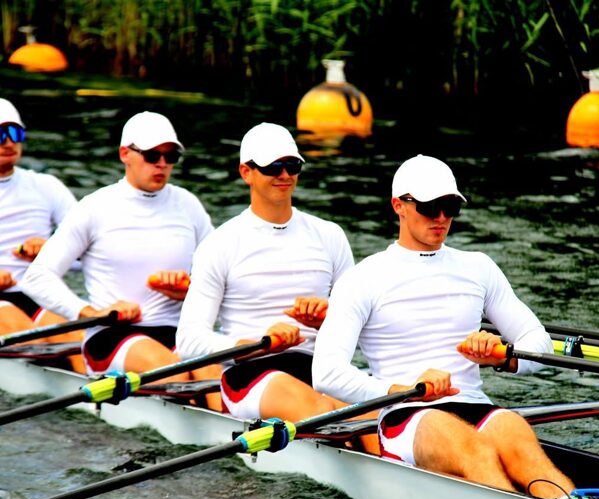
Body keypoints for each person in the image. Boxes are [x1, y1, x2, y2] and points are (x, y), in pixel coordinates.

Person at [312, 154, 575, 499]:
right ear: (398, 206)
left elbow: (540, 343)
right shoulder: (363, 279)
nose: (440, 218)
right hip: (407, 416)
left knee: (515, 431)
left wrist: (502, 357)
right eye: (429, 207)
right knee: (473, 449)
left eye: (450, 207)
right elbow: (326, 373)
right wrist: (404, 388)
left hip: (476, 405)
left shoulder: (478, 267)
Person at [176, 122, 373, 426]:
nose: (284, 175)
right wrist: (254, 343)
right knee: (323, 409)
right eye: (273, 167)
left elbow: (363, 331)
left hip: (318, 369)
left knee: (376, 419)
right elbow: (189, 340)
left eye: (292, 166)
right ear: (246, 173)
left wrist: (326, 319)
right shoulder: (220, 244)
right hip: (250, 372)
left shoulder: (330, 235)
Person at [22, 111, 215, 385]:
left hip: (175, 331)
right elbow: (37, 277)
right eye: (152, 155)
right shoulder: (95, 207)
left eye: (170, 156)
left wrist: (190, 289)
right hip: (111, 333)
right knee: (175, 371)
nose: (162, 164)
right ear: (125, 154)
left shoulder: (188, 205)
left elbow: (219, 276)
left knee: (215, 374)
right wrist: (90, 313)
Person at [0, 98, 77, 337]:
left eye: (16, 133)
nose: (10, 142)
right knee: (26, 334)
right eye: (1, 134)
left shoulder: (46, 186)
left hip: (35, 293)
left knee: (75, 339)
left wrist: (52, 250)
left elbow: (90, 255)